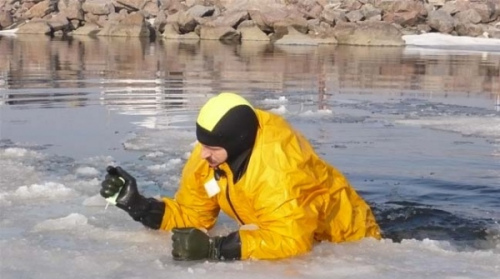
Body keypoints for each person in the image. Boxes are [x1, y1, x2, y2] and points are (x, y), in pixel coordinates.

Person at [100, 92, 381, 261]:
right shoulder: (209, 161)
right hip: (274, 227)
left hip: (347, 246)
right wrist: (138, 205)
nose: (202, 155)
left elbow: (291, 241)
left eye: (211, 147)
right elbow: (192, 215)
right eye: (202, 145)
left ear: (237, 142)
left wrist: (215, 249)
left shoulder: (278, 169)